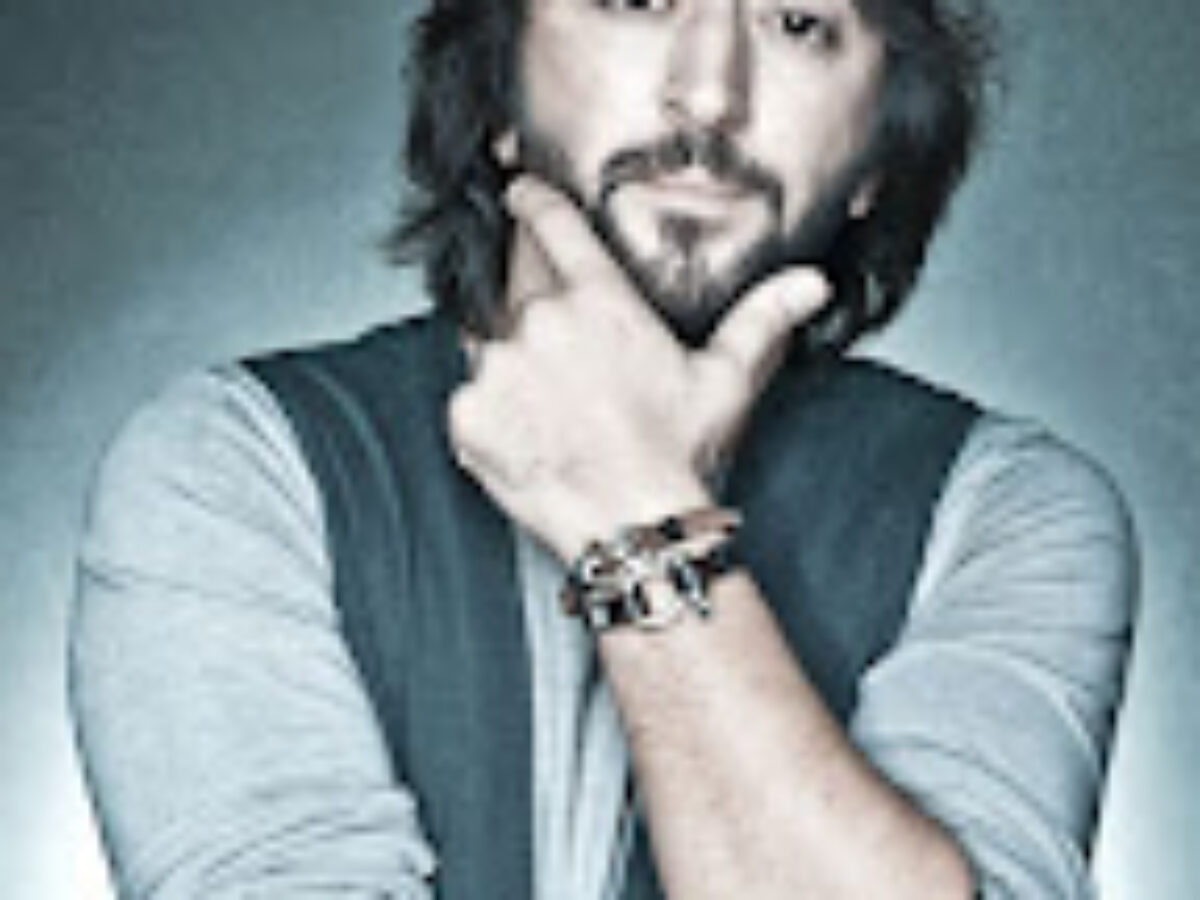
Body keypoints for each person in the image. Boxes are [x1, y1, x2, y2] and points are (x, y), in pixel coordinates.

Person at [71, 0, 1136, 897]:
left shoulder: (1002, 513)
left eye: (799, 22)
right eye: (635, 0)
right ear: (499, 92)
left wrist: (635, 512)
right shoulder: (234, 467)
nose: (709, 95)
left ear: (875, 159)